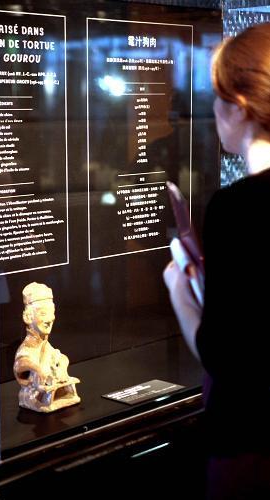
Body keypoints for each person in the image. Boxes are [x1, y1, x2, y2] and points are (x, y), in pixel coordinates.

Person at [164, 23, 270, 499]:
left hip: (251, 450)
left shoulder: (237, 208)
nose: (212, 110)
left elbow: (224, 357)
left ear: (241, 108)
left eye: (219, 97)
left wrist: (179, 288)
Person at [13, 282, 80, 413]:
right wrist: (37, 370)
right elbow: (20, 364)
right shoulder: (28, 347)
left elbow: (60, 357)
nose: (50, 319)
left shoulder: (45, 345)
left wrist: (62, 364)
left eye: (52, 313)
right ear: (27, 317)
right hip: (34, 395)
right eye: (43, 314)